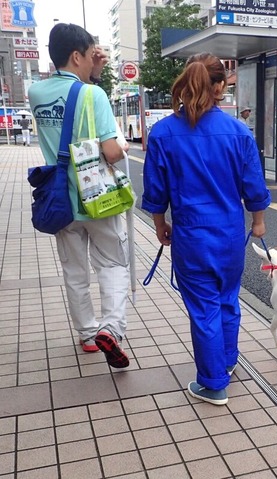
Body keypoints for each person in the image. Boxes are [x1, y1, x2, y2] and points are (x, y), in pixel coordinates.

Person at [142, 53, 271, 405]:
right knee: (227, 299)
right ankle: (227, 361)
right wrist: (258, 221)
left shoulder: (163, 133)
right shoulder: (238, 132)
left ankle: (213, 384)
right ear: (219, 87)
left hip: (191, 236)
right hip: (229, 235)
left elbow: (156, 192)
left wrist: (160, 225)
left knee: (203, 308)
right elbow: (254, 188)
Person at [28, 23, 130, 368]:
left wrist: (93, 70)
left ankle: (87, 335)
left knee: (74, 271)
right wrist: (121, 145)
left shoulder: (35, 93)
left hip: (59, 200)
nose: (91, 61)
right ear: (76, 56)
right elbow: (111, 152)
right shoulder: (94, 95)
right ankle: (110, 329)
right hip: (98, 199)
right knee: (112, 263)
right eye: (89, 56)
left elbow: (70, 97)